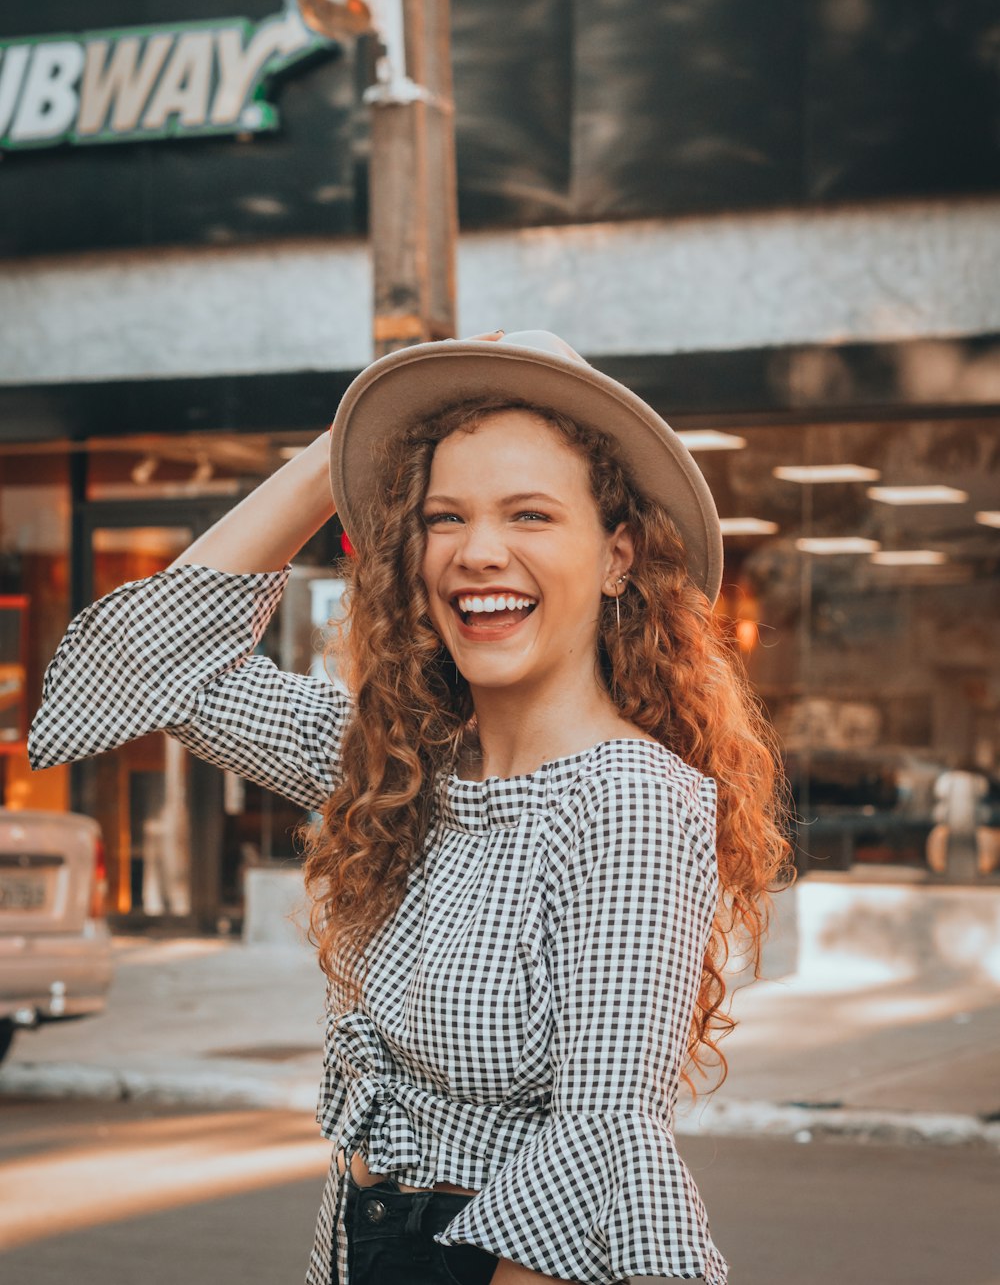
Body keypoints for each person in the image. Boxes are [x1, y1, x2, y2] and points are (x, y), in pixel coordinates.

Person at [28, 329, 792, 1285]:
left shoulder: (631, 802)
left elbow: (599, 1141)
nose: (478, 553)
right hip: (360, 1242)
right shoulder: (398, 765)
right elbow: (153, 667)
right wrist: (334, 455)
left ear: (617, 558)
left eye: (530, 517)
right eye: (443, 518)